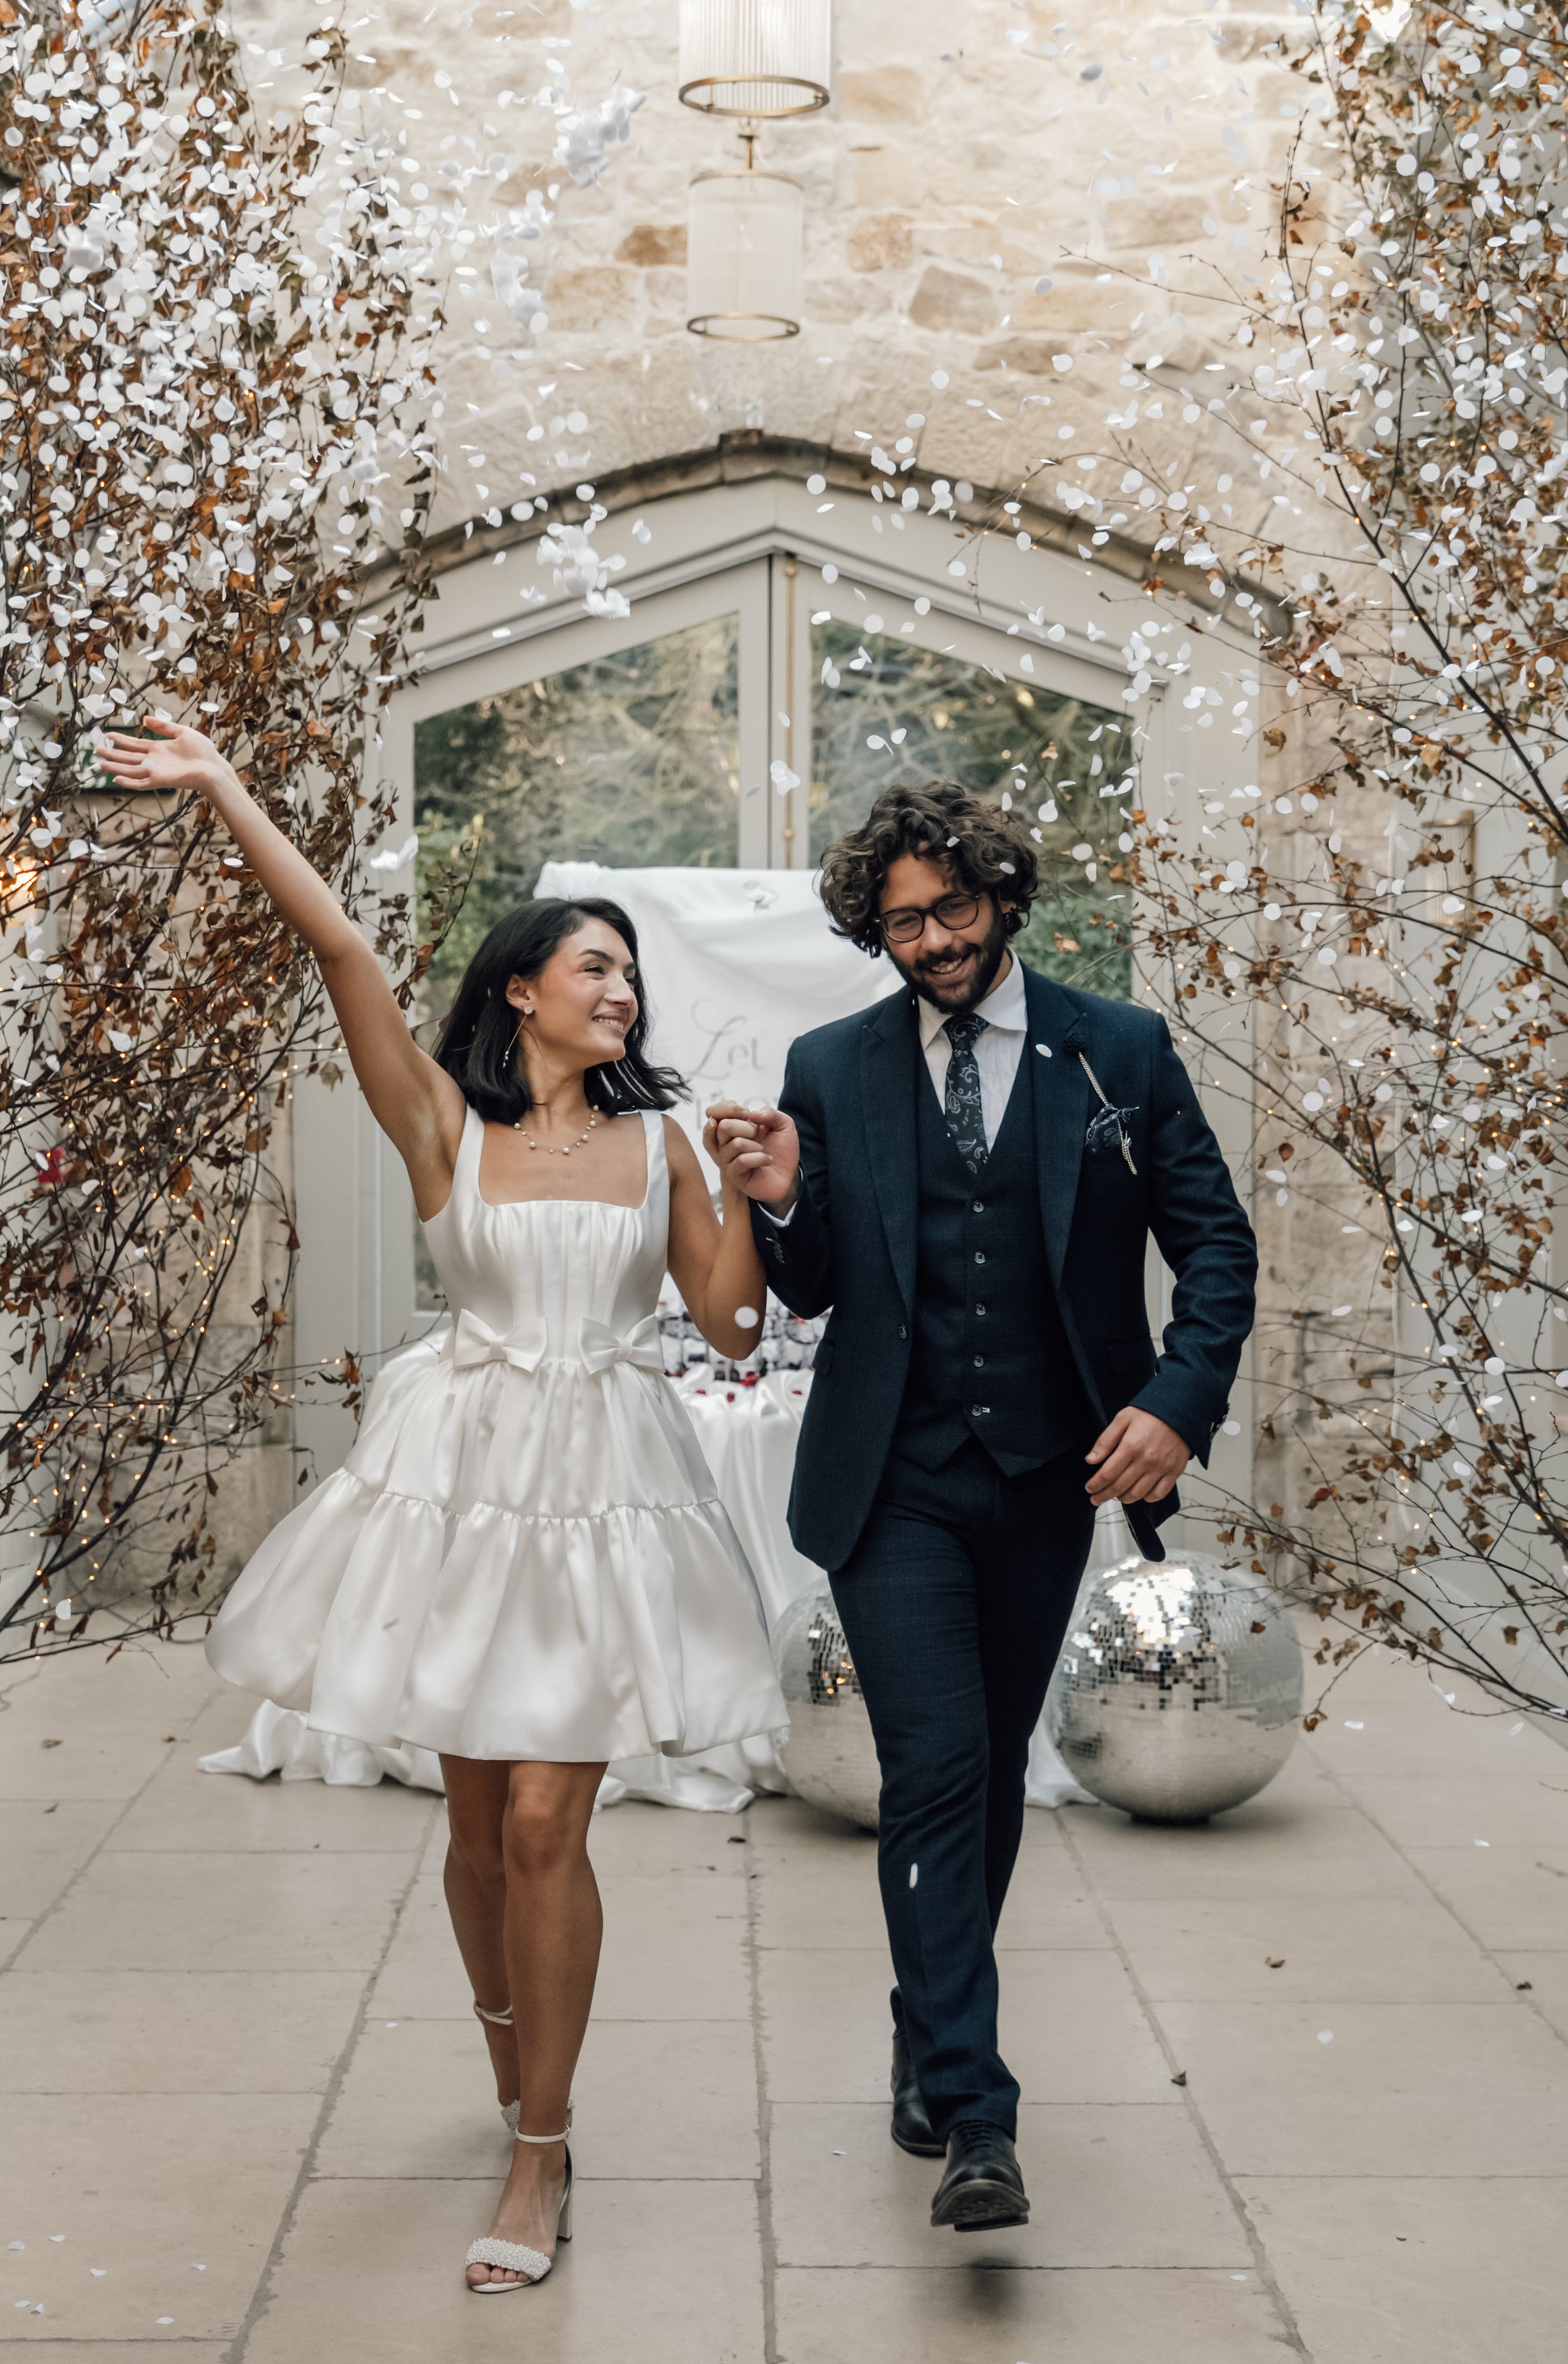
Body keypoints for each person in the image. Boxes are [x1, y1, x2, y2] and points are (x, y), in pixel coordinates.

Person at [95, 718, 788, 2295]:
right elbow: (336, 938)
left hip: (607, 1484)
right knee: (475, 1829)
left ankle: (540, 2144)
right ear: (520, 989)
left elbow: (733, 1323)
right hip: (459, 1487)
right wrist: (220, 783)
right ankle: (507, 2067)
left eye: (631, 971)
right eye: (592, 965)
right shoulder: (442, 1124)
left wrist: (747, 1194)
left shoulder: (663, 1136)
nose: (619, 987)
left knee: (550, 1815)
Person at [706, 781, 1255, 2237]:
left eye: (951, 909)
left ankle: (918, 2026)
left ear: (1002, 895)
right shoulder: (832, 1064)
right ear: (869, 931)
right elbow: (817, 1280)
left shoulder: (1116, 1051)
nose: (932, 941)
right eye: (899, 922)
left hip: (1048, 1475)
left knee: (993, 1772)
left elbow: (1215, 1249)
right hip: (891, 1480)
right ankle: (979, 2111)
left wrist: (1173, 1402)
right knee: (939, 1766)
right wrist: (775, 1197)